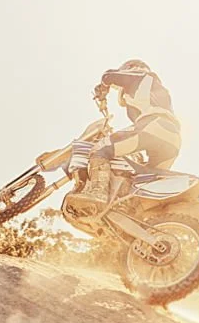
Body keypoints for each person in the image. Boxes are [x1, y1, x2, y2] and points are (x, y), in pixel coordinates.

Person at [69, 59, 182, 211]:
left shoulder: (140, 74)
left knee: (100, 148)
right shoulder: (152, 90)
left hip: (153, 126)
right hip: (173, 140)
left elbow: (108, 76)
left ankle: (98, 193)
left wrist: (103, 89)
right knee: (141, 182)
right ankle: (128, 211)